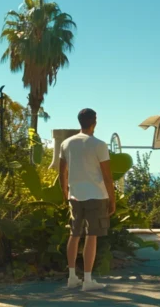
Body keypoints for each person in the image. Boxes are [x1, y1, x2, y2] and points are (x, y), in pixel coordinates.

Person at [59, 108, 115, 292]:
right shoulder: (99, 145)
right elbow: (107, 177)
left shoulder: (66, 144)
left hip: (74, 196)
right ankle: (88, 280)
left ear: (79, 121)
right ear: (94, 122)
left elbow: (62, 173)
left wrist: (64, 194)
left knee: (74, 235)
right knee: (91, 236)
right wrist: (112, 200)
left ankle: (72, 277)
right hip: (96, 196)